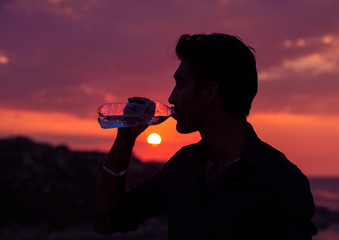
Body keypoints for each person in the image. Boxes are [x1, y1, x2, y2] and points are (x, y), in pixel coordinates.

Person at [93, 33, 317, 239]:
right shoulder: (183, 165)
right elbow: (106, 222)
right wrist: (126, 138)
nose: (171, 97)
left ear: (209, 92)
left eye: (180, 84)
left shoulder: (282, 181)